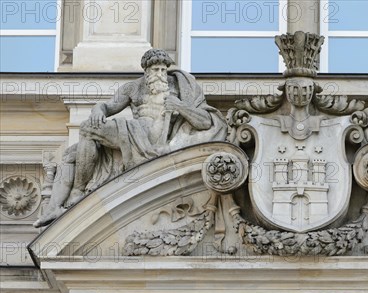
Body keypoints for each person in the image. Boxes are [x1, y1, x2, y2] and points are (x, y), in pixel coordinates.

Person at [34, 49, 226, 227]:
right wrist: (97, 111)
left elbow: (205, 122)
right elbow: (107, 107)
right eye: (155, 69)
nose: (160, 74)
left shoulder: (180, 88)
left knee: (86, 131)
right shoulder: (133, 88)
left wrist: (179, 106)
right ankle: (55, 208)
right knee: (71, 153)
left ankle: (77, 192)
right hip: (134, 131)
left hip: (155, 141)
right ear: (146, 72)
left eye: (163, 69)